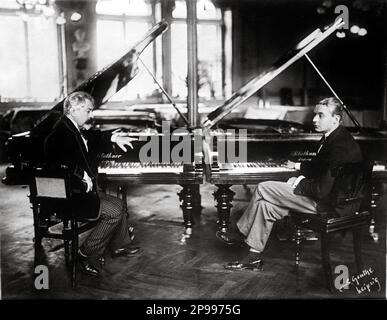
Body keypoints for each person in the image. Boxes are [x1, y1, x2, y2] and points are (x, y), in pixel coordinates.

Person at [216, 97, 363, 270]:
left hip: (331, 206)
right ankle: (253, 257)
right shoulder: (335, 137)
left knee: (263, 188)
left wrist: (298, 180)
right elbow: (321, 167)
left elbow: (322, 190)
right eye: (315, 114)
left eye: (320, 115)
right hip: (333, 199)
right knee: (265, 206)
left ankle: (241, 233)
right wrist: (298, 166)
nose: (314, 119)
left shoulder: (339, 147)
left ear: (336, 119)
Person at [44, 91, 139, 277]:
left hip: (78, 190)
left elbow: (88, 137)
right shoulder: (59, 134)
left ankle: (119, 245)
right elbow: (57, 164)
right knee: (113, 212)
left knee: (119, 204)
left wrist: (113, 137)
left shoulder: (70, 126)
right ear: (73, 109)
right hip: (69, 196)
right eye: (88, 110)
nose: (91, 115)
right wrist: (81, 176)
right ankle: (84, 254)